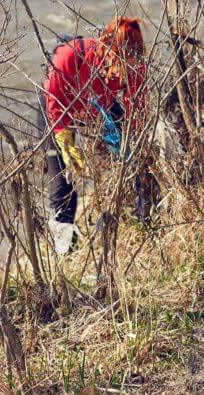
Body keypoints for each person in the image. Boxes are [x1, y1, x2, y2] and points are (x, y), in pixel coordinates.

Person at [40, 17, 146, 254]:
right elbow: (54, 104)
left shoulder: (136, 65)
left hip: (100, 105)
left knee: (133, 158)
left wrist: (130, 139)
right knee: (62, 178)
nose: (126, 68)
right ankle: (64, 247)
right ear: (107, 48)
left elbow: (137, 106)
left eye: (132, 61)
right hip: (60, 107)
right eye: (121, 60)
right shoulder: (69, 56)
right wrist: (66, 144)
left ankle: (140, 220)